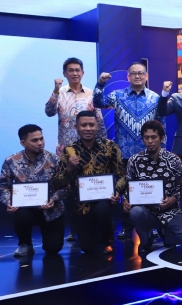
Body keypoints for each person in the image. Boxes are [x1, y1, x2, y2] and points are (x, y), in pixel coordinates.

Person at [93, 61, 165, 240]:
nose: (138, 76)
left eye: (141, 73)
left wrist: (161, 150)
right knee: (126, 190)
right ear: (128, 77)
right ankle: (126, 226)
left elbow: (161, 126)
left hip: (149, 153)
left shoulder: (156, 98)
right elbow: (97, 101)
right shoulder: (117, 96)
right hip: (124, 153)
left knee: (151, 189)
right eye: (134, 73)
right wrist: (100, 83)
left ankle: (153, 225)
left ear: (146, 76)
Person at [45, 57, 107, 241]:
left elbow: (99, 120)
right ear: (65, 73)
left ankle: (92, 226)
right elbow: (49, 112)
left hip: (89, 148)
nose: (74, 73)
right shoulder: (59, 93)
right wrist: (55, 90)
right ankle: (74, 229)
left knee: (89, 186)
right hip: (67, 149)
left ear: (83, 72)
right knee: (69, 189)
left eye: (77, 70)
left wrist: (102, 145)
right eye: (70, 70)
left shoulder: (90, 93)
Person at [52, 111, 126, 254]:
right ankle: (99, 227)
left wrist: (117, 191)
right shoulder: (69, 150)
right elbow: (57, 182)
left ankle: (106, 239)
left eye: (91, 125)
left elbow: (122, 175)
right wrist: (69, 169)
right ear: (76, 127)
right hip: (81, 204)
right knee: (87, 247)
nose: (88, 128)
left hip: (105, 199)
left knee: (102, 210)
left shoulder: (111, 147)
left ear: (97, 126)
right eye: (83, 125)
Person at [123, 120, 182, 253]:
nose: (150, 141)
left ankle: (165, 231)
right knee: (135, 212)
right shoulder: (134, 160)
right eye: (146, 137)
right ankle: (146, 238)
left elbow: (181, 186)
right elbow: (129, 186)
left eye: (154, 137)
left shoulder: (174, 160)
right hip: (146, 211)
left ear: (162, 138)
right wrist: (126, 201)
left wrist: (173, 199)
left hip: (170, 211)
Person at [0, 125, 66, 256]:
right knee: (20, 215)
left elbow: (66, 186)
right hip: (26, 210)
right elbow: (3, 186)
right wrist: (9, 201)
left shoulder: (55, 160)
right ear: (23, 143)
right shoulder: (11, 161)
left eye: (41, 139)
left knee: (53, 248)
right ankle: (25, 244)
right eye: (34, 140)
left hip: (52, 210)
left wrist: (54, 199)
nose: (40, 143)